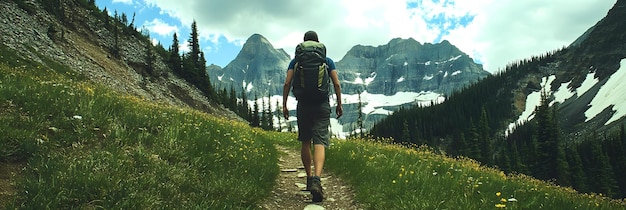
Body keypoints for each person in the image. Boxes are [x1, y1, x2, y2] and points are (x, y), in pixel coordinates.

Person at [282, 30, 343, 202]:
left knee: (305, 141)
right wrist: (339, 103)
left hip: (303, 105)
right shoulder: (326, 60)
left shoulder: (296, 61)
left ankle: (309, 178)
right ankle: (317, 179)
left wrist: (285, 105)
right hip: (322, 104)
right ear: (318, 43)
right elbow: (336, 84)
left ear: (303, 44)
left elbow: (287, 82)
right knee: (320, 141)